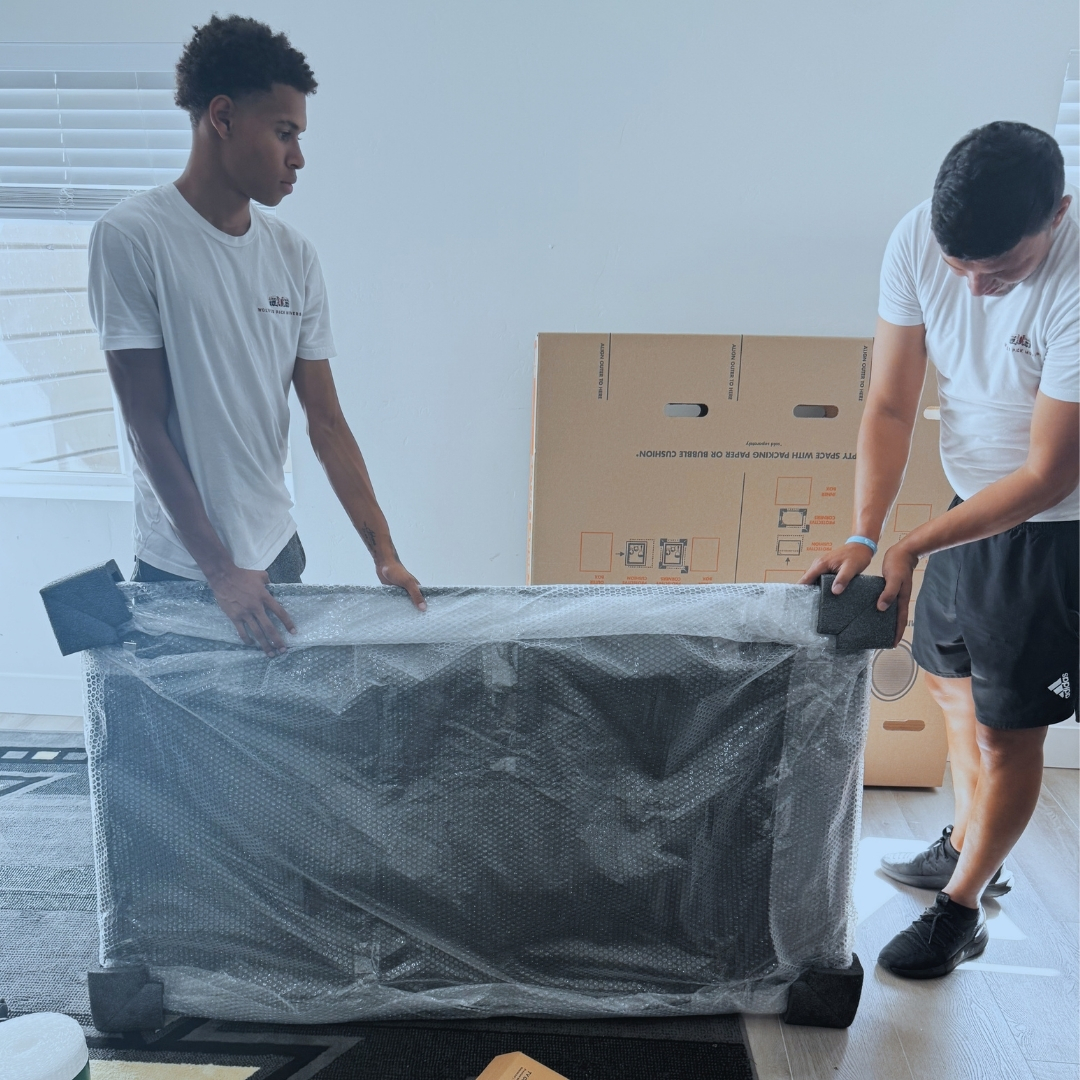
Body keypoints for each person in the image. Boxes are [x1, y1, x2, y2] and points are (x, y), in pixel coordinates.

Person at [801, 121, 1078, 979]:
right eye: (963, 268)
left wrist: (914, 541)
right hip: (971, 505)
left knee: (1007, 734)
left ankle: (961, 912)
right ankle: (968, 844)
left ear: (1059, 215)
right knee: (953, 689)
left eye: (1001, 270)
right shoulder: (919, 239)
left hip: (1054, 532)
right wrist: (865, 531)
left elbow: (1048, 475)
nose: (977, 287)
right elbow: (890, 402)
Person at [88, 16, 425, 657]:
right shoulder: (133, 238)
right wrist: (220, 573)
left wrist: (385, 556)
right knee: (173, 757)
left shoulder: (294, 256)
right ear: (222, 117)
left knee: (274, 755)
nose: (298, 156)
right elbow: (145, 426)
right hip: (184, 569)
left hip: (277, 556)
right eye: (283, 133)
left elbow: (325, 422)